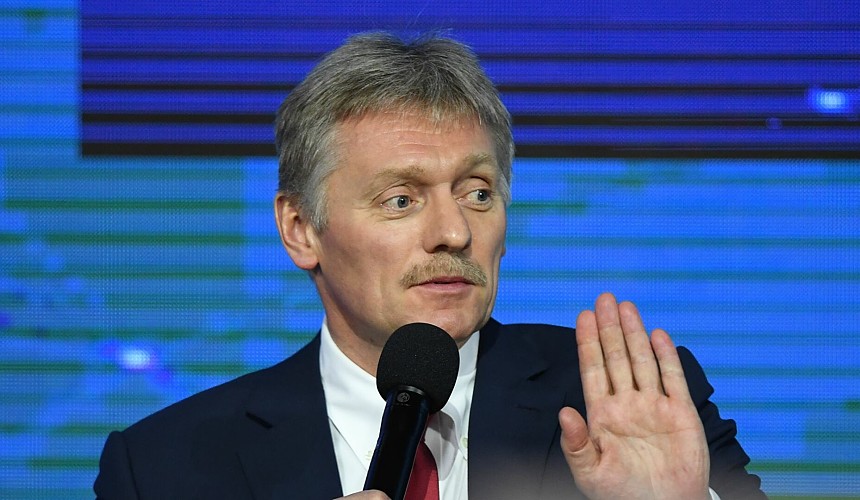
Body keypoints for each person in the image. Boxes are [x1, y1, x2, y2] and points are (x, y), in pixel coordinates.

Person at [94, 32, 767, 499]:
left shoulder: (632, 406)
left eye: (478, 193)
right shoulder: (164, 468)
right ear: (300, 230)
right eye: (401, 199)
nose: (453, 232)